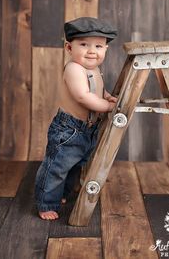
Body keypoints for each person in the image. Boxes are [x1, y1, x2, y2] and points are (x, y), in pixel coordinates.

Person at [35, 17, 118, 220]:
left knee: (75, 165)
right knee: (57, 167)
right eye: (84, 45)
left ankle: (60, 194)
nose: (92, 51)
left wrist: (106, 96)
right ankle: (46, 203)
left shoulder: (94, 69)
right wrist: (107, 107)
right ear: (69, 48)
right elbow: (83, 96)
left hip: (87, 129)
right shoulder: (73, 69)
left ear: (105, 49)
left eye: (98, 46)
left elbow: (97, 89)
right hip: (68, 130)